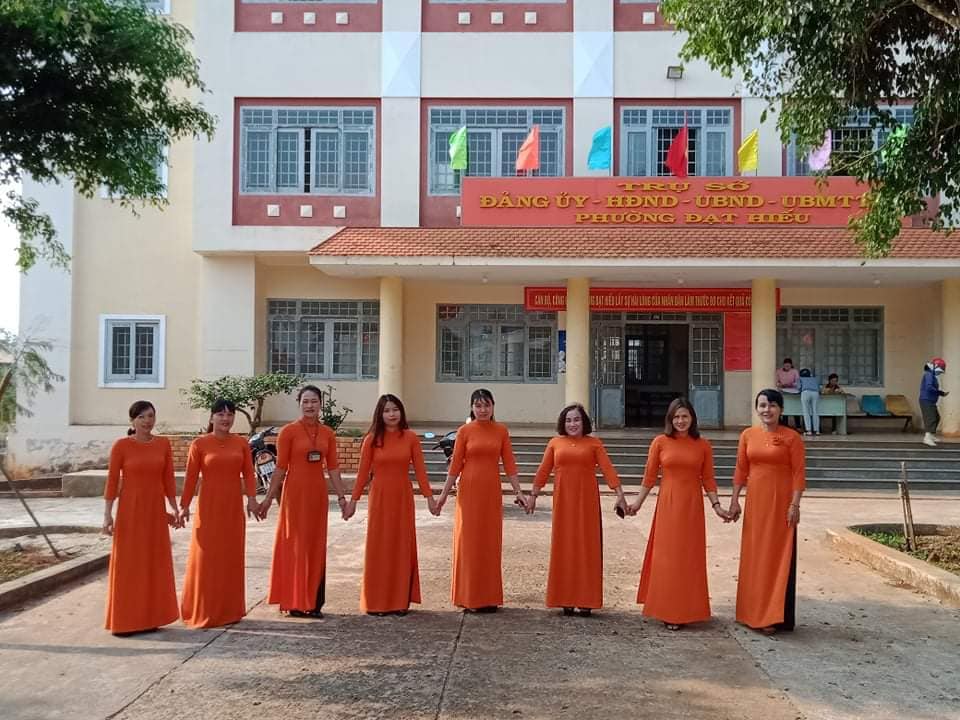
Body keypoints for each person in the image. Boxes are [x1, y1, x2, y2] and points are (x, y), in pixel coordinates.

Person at [629, 398, 727, 630]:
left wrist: (717, 506)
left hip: (692, 507)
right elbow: (649, 477)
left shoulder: (703, 445)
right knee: (668, 557)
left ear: (692, 418)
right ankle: (668, 610)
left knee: (689, 558)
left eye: (684, 416)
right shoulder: (660, 442)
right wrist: (638, 504)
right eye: (676, 417)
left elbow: (709, 479)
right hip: (668, 505)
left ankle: (688, 609)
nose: (680, 421)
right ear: (670, 420)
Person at [258, 385, 349, 618]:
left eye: (314, 401)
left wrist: (342, 497)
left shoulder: (327, 433)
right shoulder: (288, 432)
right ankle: (294, 600)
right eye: (306, 401)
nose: (310, 406)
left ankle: (314, 600)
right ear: (299, 403)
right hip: (295, 494)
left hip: (317, 494)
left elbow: (334, 468)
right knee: (296, 544)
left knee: (315, 544)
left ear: (321, 404)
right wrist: (268, 498)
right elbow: (279, 469)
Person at [436, 389, 530, 612]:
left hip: (490, 491)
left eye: (486, 405)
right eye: (478, 406)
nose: (483, 410)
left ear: (493, 406)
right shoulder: (464, 431)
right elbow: (455, 466)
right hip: (469, 490)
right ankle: (469, 596)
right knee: (469, 542)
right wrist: (442, 495)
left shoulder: (501, 431)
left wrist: (519, 492)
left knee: (489, 541)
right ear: (472, 408)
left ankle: (488, 597)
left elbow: (509, 464)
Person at [342, 395, 437, 616]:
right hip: (380, 497)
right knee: (380, 546)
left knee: (401, 546)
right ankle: (376, 601)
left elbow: (421, 471)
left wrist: (430, 498)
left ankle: (398, 601)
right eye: (387, 410)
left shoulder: (411, 438)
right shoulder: (372, 440)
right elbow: (363, 474)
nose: (392, 414)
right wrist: (353, 502)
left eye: (395, 410)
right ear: (380, 414)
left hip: (403, 496)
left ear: (401, 412)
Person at [529, 403, 626, 616]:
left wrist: (619, 494)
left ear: (584, 422)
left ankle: (586, 599)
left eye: (577, 420)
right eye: (569, 420)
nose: (573, 424)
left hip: (587, 503)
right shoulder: (555, 443)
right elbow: (543, 470)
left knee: (587, 547)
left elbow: (608, 469)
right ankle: (564, 597)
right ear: (563, 423)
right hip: (563, 502)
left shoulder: (594, 444)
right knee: (564, 546)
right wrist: (533, 495)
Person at [727, 389, 806, 635]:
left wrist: (795, 504)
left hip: (781, 504)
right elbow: (741, 469)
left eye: (772, 405)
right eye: (762, 405)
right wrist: (735, 500)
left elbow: (798, 473)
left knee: (776, 557)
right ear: (756, 408)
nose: (767, 410)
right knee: (754, 556)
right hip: (756, 503)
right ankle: (749, 612)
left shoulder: (792, 438)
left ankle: (772, 615)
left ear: (780, 409)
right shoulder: (748, 435)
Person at [179, 399, 260, 629]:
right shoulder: (200, 444)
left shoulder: (241, 443)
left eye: (230, 414)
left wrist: (252, 500)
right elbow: (191, 478)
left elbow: (249, 474)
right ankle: (204, 609)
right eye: (221, 414)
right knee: (207, 559)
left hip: (233, 509)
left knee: (230, 558)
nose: (226, 419)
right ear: (212, 417)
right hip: (208, 509)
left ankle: (229, 610)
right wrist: (184, 506)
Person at [102, 401, 181, 636]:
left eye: (150, 416)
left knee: (153, 563)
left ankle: (151, 617)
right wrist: (107, 515)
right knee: (130, 565)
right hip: (130, 512)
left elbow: (168, 480)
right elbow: (112, 482)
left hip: (155, 512)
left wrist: (174, 508)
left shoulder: (163, 444)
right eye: (142, 417)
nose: (147, 421)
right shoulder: (121, 446)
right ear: (133, 421)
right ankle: (125, 621)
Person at [919, 358, 949, 447]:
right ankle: (927, 438)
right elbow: (929, 387)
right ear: (935, 367)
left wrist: (941, 393)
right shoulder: (929, 375)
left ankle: (931, 435)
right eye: (939, 371)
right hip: (926, 400)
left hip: (930, 401)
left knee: (936, 417)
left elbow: (933, 389)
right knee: (931, 418)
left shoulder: (932, 375)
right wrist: (938, 392)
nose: (939, 374)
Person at [798, 368, 820, 436]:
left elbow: (798, 387)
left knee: (806, 412)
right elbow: (819, 387)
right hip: (815, 393)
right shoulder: (814, 379)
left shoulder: (800, 379)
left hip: (805, 392)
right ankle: (817, 431)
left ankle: (809, 430)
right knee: (815, 411)